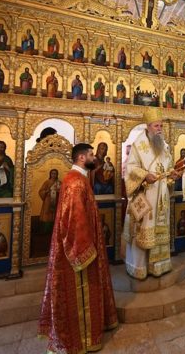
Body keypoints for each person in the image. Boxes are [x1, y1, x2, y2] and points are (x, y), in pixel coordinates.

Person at [39, 143, 118, 353]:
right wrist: (83, 251)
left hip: (82, 243)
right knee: (79, 292)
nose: (94, 158)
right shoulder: (75, 182)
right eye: (91, 155)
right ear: (82, 158)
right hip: (77, 249)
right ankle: (80, 340)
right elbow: (74, 219)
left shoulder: (79, 179)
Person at [122, 107, 182, 279]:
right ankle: (139, 267)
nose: (159, 129)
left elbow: (167, 170)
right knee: (142, 232)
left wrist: (172, 175)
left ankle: (158, 267)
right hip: (145, 195)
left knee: (159, 231)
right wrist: (144, 175)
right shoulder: (138, 145)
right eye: (156, 126)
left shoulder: (164, 146)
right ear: (148, 126)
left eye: (161, 126)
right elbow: (130, 168)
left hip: (161, 196)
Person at [38, 169, 61, 234]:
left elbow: (63, 192)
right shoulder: (47, 182)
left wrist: (59, 191)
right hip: (48, 202)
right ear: (50, 174)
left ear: (57, 175)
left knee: (55, 214)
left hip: (56, 202)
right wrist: (46, 191)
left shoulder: (59, 183)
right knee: (47, 215)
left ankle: (54, 231)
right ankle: (46, 231)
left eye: (55, 173)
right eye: (52, 173)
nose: (54, 175)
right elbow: (41, 191)